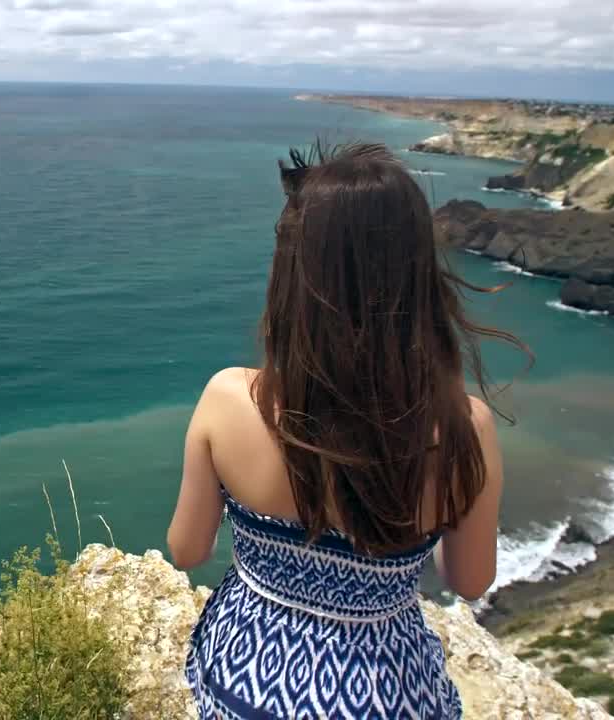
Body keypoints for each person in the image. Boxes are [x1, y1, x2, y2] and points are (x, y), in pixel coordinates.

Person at [167, 143, 524, 719]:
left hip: (244, 683)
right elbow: (470, 579)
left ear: (294, 272)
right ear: (415, 272)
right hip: (391, 694)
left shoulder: (229, 397)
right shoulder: (466, 427)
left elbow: (186, 551)